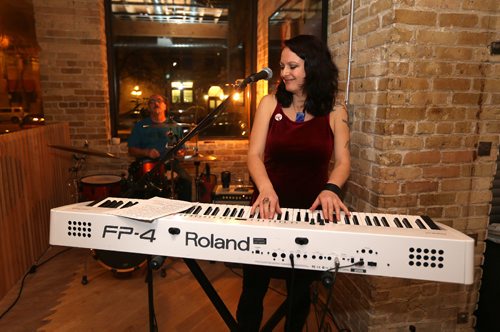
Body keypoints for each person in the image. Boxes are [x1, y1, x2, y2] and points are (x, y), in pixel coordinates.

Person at [236, 35, 351, 331]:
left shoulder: (336, 112)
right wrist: (266, 187)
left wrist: (331, 188)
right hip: (266, 208)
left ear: (313, 68)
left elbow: (343, 162)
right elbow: (254, 154)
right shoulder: (268, 103)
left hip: (309, 216)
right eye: (282, 65)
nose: (284, 72)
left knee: (299, 296)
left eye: (292, 66)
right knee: (252, 290)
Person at [127, 94, 192, 201]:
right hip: (147, 164)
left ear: (165, 106)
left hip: (170, 164)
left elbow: (181, 150)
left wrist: (181, 153)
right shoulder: (140, 126)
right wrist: (147, 152)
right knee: (145, 187)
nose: (156, 103)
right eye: (152, 101)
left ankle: (182, 212)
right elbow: (131, 150)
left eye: (159, 101)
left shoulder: (175, 126)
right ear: (149, 107)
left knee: (187, 181)